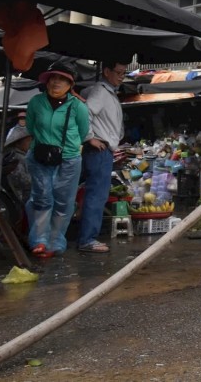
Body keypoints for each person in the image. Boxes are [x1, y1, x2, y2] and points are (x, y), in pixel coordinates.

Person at [25, 61, 90, 258]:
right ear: (47, 81)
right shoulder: (36, 102)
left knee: (63, 202)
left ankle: (55, 242)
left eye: (62, 79)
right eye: (53, 78)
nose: (56, 82)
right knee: (42, 198)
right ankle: (39, 241)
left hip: (69, 158)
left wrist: (67, 146)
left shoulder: (78, 106)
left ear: (70, 85)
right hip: (40, 155)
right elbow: (30, 126)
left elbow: (83, 131)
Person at [77, 58, 128, 254]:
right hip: (98, 150)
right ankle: (88, 239)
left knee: (95, 194)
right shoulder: (101, 91)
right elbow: (85, 113)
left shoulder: (106, 92)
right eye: (119, 73)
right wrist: (90, 138)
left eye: (124, 73)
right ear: (107, 71)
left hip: (104, 150)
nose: (121, 77)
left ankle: (87, 237)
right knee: (96, 195)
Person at [3, 125, 33, 206]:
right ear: (18, 143)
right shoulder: (17, 157)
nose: (30, 143)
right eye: (28, 141)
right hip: (20, 197)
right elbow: (24, 181)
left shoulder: (22, 156)